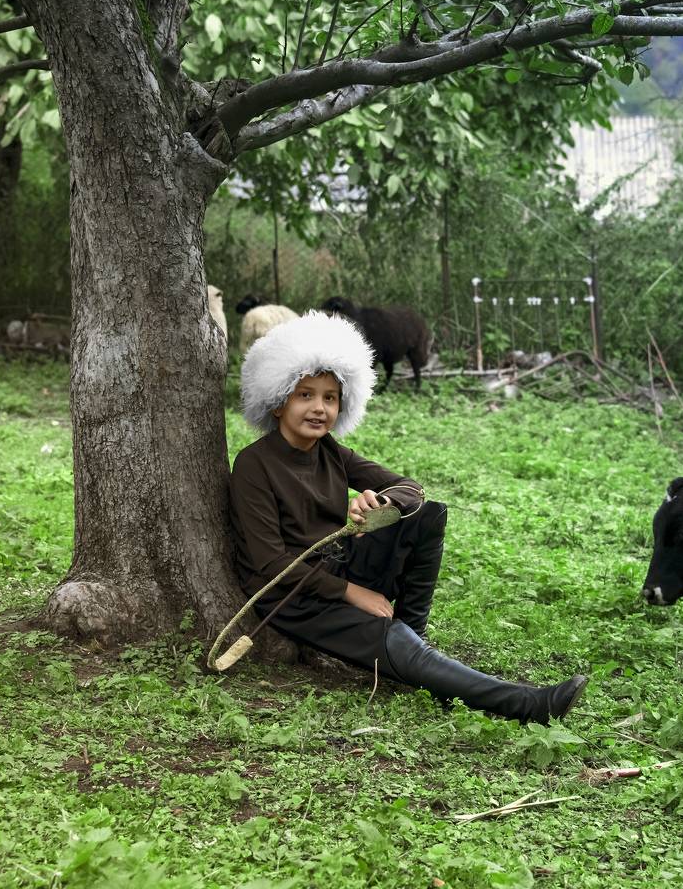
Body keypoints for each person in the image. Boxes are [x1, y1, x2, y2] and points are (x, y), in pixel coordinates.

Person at [229, 309, 587, 724]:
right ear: (277, 402)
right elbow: (270, 564)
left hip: (339, 564)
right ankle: (527, 705)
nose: (319, 408)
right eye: (305, 395)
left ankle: (413, 639)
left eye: (330, 398)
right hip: (294, 597)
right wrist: (351, 592)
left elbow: (411, 490)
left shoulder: (331, 451)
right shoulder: (254, 464)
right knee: (387, 636)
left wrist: (380, 503)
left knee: (428, 516)